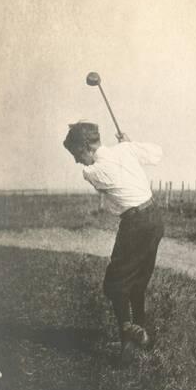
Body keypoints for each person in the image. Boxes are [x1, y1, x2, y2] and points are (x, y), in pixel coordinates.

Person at [63, 121, 164, 364]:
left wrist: (128, 147)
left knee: (114, 285)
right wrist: (130, 144)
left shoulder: (91, 172)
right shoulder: (124, 150)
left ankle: (128, 333)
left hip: (135, 224)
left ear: (86, 147)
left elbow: (109, 198)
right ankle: (141, 339)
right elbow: (157, 154)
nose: (78, 161)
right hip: (155, 219)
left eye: (77, 154)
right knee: (138, 283)